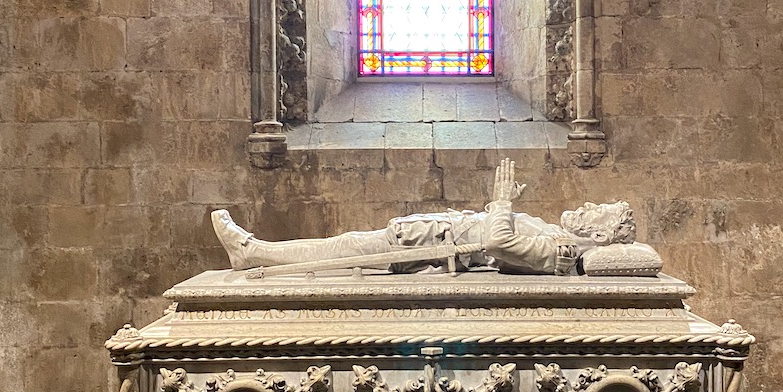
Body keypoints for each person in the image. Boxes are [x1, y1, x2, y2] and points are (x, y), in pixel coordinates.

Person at [211, 159, 637, 277]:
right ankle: (255, 251)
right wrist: (499, 206)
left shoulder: (563, 250)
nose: (587, 207)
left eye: (598, 211)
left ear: (601, 235)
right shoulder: (556, 235)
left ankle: (252, 252)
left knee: (346, 248)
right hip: (436, 235)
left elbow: (498, 244)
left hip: (434, 245)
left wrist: (502, 201)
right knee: (347, 246)